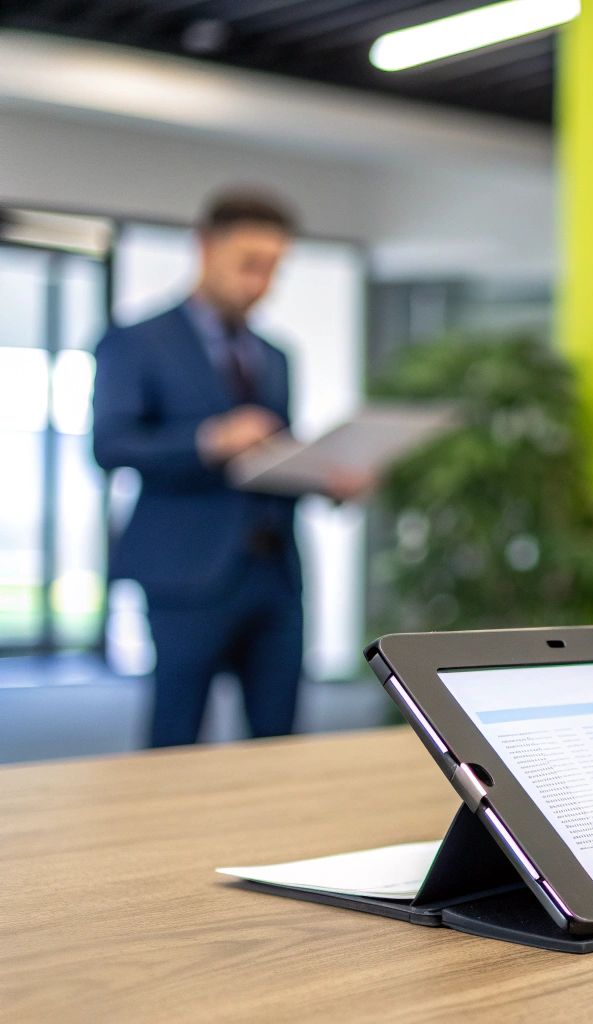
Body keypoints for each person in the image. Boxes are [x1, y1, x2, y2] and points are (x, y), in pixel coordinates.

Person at [92, 188, 367, 748]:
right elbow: (111, 446)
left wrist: (325, 479)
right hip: (188, 570)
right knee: (177, 737)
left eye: (272, 269)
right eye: (249, 264)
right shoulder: (137, 342)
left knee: (279, 737)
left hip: (275, 573)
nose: (260, 283)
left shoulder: (275, 353)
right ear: (205, 247)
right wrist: (207, 439)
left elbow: (269, 460)